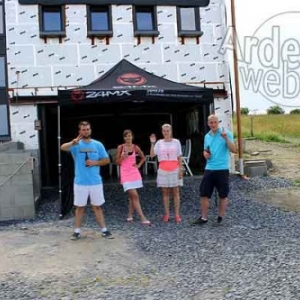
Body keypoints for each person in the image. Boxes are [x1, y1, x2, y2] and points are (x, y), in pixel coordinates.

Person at [60, 121, 113, 240]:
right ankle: (77, 231)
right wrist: (72, 142)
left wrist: (95, 162)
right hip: (80, 182)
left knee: (97, 206)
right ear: (80, 131)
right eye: (83, 130)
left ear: (91, 130)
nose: (86, 131)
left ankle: (104, 230)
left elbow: (106, 160)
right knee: (80, 207)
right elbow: (62, 147)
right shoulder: (75, 144)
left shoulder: (98, 144)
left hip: (95, 182)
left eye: (88, 129)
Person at [193, 114, 236, 225]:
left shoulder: (226, 133)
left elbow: (234, 150)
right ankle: (204, 218)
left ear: (218, 122)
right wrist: (205, 154)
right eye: (211, 123)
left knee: (223, 194)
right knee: (204, 193)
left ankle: (220, 218)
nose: (213, 124)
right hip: (209, 168)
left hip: (222, 168)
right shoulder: (207, 136)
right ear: (208, 124)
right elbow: (205, 150)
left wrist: (226, 138)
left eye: (215, 122)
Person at [115, 129, 150, 225]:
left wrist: (138, 165)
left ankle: (130, 215)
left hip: (134, 172)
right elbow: (116, 162)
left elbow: (143, 157)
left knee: (131, 196)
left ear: (132, 137)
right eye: (126, 136)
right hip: (125, 173)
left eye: (129, 136)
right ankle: (142, 217)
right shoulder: (120, 147)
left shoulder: (135, 147)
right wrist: (122, 157)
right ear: (124, 137)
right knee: (134, 195)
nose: (128, 138)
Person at [150, 124, 183, 223]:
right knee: (165, 192)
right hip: (163, 169)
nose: (166, 132)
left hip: (174, 169)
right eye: (164, 131)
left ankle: (177, 214)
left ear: (171, 131)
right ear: (162, 132)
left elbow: (179, 156)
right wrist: (152, 143)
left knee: (176, 192)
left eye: (168, 130)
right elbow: (152, 155)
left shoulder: (176, 142)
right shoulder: (159, 143)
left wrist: (180, 169)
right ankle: (167, 214)